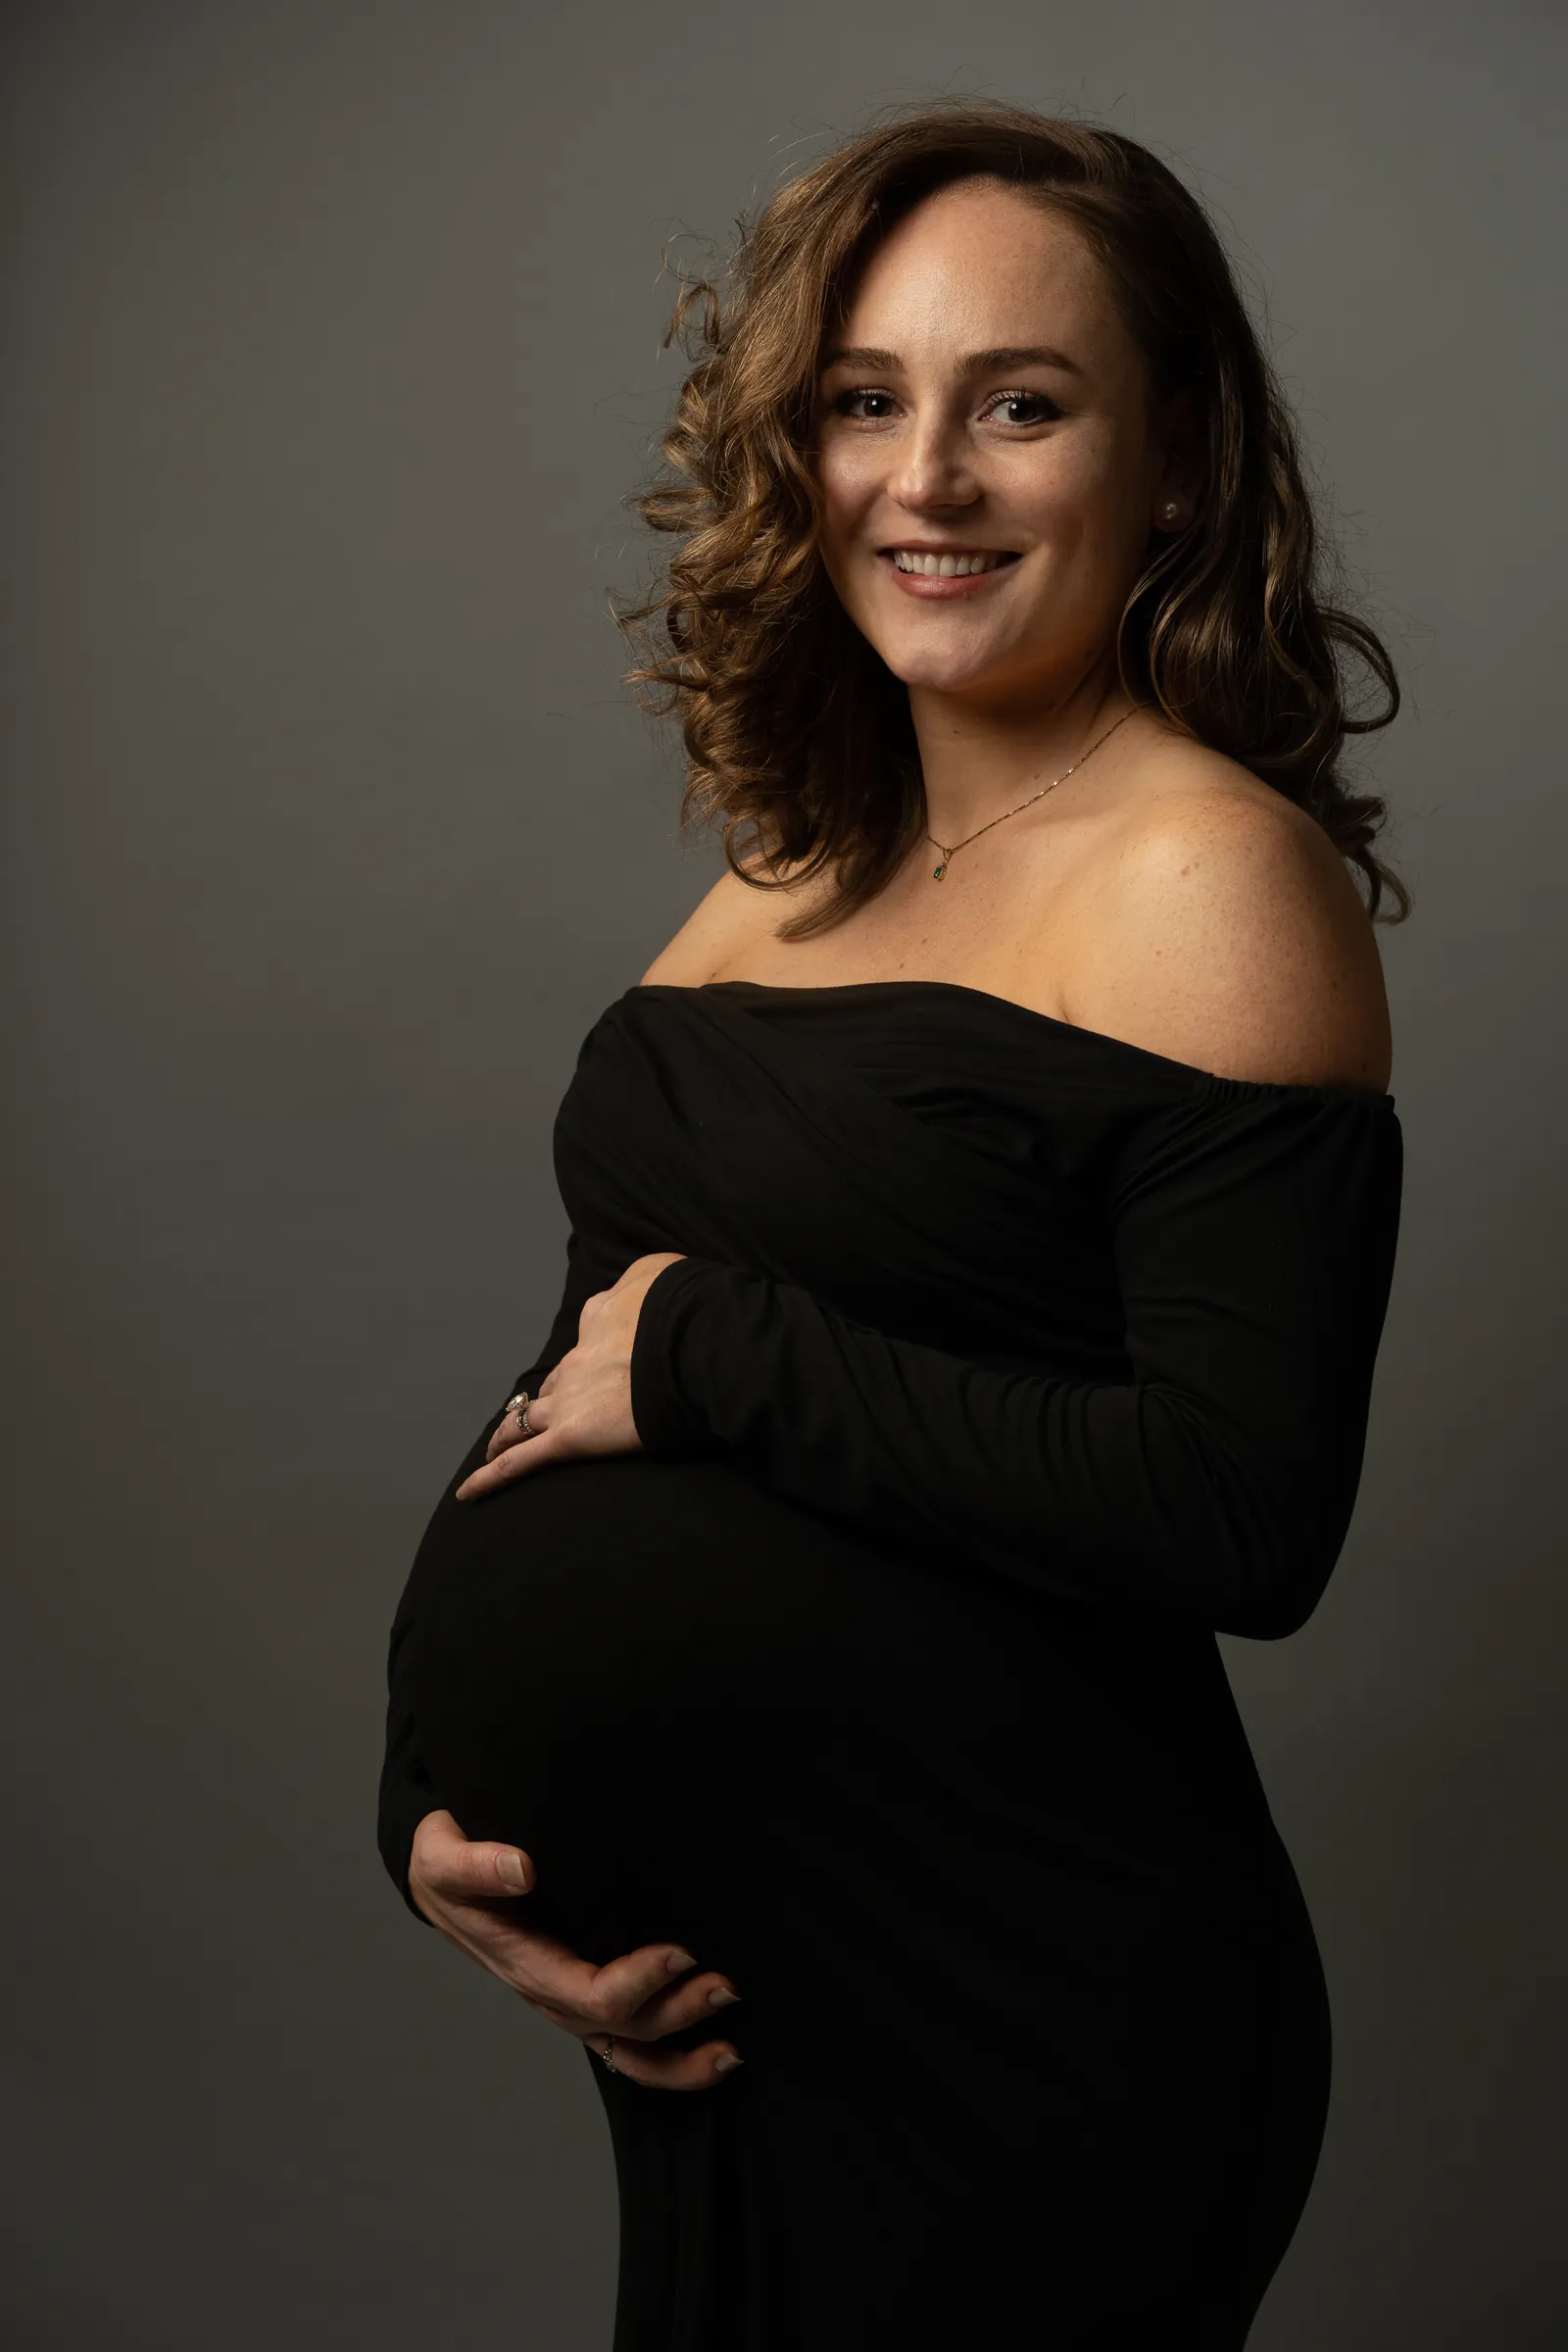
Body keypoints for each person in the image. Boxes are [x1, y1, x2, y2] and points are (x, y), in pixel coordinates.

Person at [378, 100, 1406, 2349]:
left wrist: (730, 1361)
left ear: (1170, 458)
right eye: (863, 402)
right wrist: (423, 1796)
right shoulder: (784, 867)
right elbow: (586, 1361)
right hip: (731, 2009)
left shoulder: (1210, 881)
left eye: (1014, 406)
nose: (919, 480)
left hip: (1026, 2007)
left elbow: (1243, 1512)